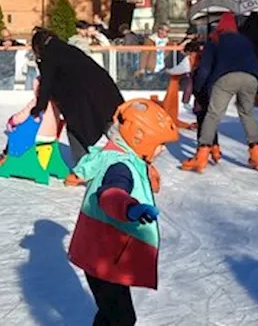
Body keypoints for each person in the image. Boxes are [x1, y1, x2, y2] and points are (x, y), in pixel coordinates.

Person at [69, 100, 178, 326]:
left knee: (111, 314)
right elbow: (111, 194)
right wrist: (130, 208)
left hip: (103, 251)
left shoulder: (118, 155)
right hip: (105, 257)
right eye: (159, 144)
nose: (163, 149)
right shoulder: (121, 166)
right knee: (123, 318)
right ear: (140, 139)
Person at [23, 27, 125, 185]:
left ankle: (82, 170)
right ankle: (136, 163)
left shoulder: (49, 54)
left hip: (85, 100)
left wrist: (39, 107)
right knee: (113, 128)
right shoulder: (67, 49)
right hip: (106, 93)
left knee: (77, 131)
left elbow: (47, 83)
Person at [182, 14, 258, 173]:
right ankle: (257, 155)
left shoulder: (215, 40)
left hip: (226, 78)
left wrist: (199, 88)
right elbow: (255, 60)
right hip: (251, 77)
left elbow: (205, 68)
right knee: (247, 114)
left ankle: (201, 156)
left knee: (213, 115)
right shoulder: (245, 40)